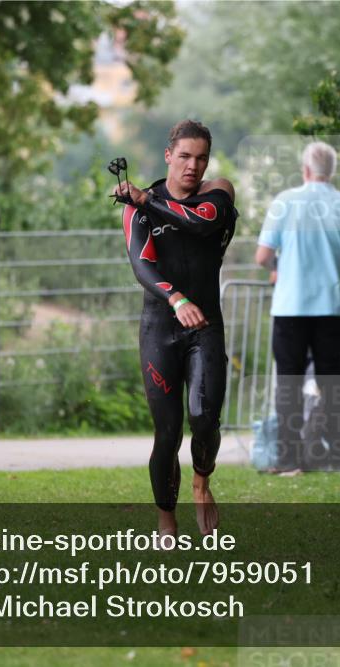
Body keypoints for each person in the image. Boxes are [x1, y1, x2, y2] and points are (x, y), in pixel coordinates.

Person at [114, 119, 238, 538]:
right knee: (167, 433)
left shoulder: (218, 192)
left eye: (201, 158)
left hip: (206, 327)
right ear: (168, 155)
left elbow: (200, 222)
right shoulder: (137, 206)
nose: (192, 166)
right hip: (160, 328)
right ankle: (166, 519)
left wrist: (146, 199)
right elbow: (142, 266)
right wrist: (176, 299)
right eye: (184, 156)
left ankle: (201, 481)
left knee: (204, 419)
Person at [255, 141, 340, 471]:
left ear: (305, 169)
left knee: (288, 385)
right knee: (332, 382)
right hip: (331, 307)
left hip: (289, 307)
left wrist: (278, 268)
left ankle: (289, 459)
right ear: (332, 171)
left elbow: (262, 256)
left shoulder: (284, 202)